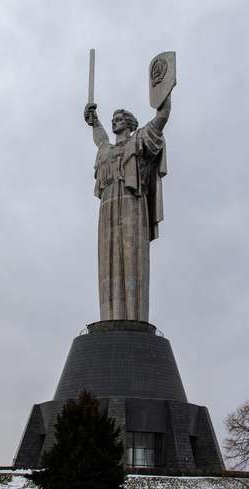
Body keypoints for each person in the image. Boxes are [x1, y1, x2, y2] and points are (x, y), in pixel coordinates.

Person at [83, 97, 171, 321]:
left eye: (119, 119)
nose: (115, 122)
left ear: (130, 123)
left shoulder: (138, 141)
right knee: (108, 261)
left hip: (132, 202)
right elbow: (100, 138)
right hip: (108, 208)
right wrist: (94, 121)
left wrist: (163, 90)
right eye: (113, 119)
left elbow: (161, 117)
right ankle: (111, 318)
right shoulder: (106, 150)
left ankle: (133, 319)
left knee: (132, 258)